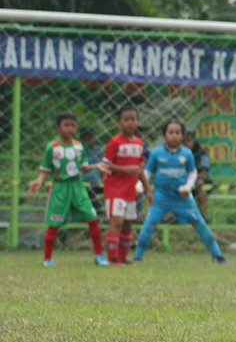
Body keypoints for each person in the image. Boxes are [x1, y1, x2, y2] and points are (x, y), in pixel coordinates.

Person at [133, 120, 229, 264]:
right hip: (161, 197)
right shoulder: (157, 153)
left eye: (177, 133)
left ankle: (217, 255)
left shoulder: (187, 154)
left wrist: (188, 186)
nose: (174, 136)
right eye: (170, 133)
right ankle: (138, 257)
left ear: (182, 136)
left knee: (199, 223)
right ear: (165, 135)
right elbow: (147, 171)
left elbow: (192, 172)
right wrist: (141, 185)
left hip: (182, 198)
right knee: (149, 223)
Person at [28, 112, 110, 267]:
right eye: (66, 125)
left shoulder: (79, 146)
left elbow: (83, 167)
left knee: (92, 218)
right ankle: (47, 258)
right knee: (54, 224)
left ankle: (99, 256)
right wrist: (39, 181)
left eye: (73, 125)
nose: (70, 128)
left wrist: (96, 166)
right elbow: (45, 169)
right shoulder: (52, 147)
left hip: (77, 186)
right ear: (58, 127)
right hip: (60, 188)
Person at [101, 105, 150, 265]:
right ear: (119, 123)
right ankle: (112, 258)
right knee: (117, 222)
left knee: (128, 223)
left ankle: (122, 257)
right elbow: (106, 166)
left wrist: (148, 190)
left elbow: (139, 169)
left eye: (133, 119)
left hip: (130, 191)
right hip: (115, 189)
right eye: (126, 120)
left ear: (138, 122)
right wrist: (124, 169)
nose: (130, 123)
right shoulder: (115, 142)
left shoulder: (139, 143)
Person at [183, 130, 212, 219]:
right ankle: (172, 217)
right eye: (185, 140)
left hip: (196, 181)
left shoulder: (201, 152)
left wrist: (192, 178)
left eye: (189, 140)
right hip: (182, 181)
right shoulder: (177, 152)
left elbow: (204, 172)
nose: (187, 143)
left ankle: (202, 217)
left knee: (201, 189)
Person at [80, 129, 106, 221]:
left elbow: (104, 165)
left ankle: (111, 214)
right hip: (84, 182)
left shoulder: (98, 149)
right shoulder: (80, 150)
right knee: (88, 190)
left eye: (91, 136)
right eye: (87, 137)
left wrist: (104, 179)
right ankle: (99, 214)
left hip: (98, 182)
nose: (89, 139)